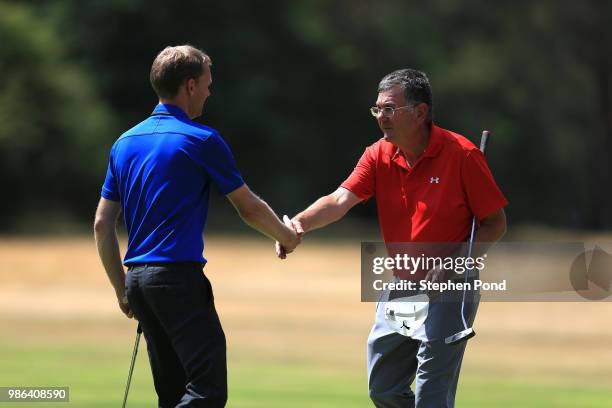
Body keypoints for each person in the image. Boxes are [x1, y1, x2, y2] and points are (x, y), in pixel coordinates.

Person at [278, 69, 507, 407]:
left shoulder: (462, 154)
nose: (381, 117)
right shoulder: (378, 154)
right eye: (378, 109)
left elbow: (494, 223)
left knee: (432, 393)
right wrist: (298, 224)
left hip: (450, 289)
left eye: (389, 109)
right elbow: (339, 200)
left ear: (420, 112)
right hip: (403, 286)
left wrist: (456, 264)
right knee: (383, 388)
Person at [94, 45, 300, 408]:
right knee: (207, 392)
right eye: (206, 83)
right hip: (177, 280)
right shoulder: (200, 139)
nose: (209, 91)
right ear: (189, 86)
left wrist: (121, 288)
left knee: (172, 393)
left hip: (139, 281)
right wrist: (287, 236)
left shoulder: (124, 143)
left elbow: (101, 224)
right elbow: (248, 208)